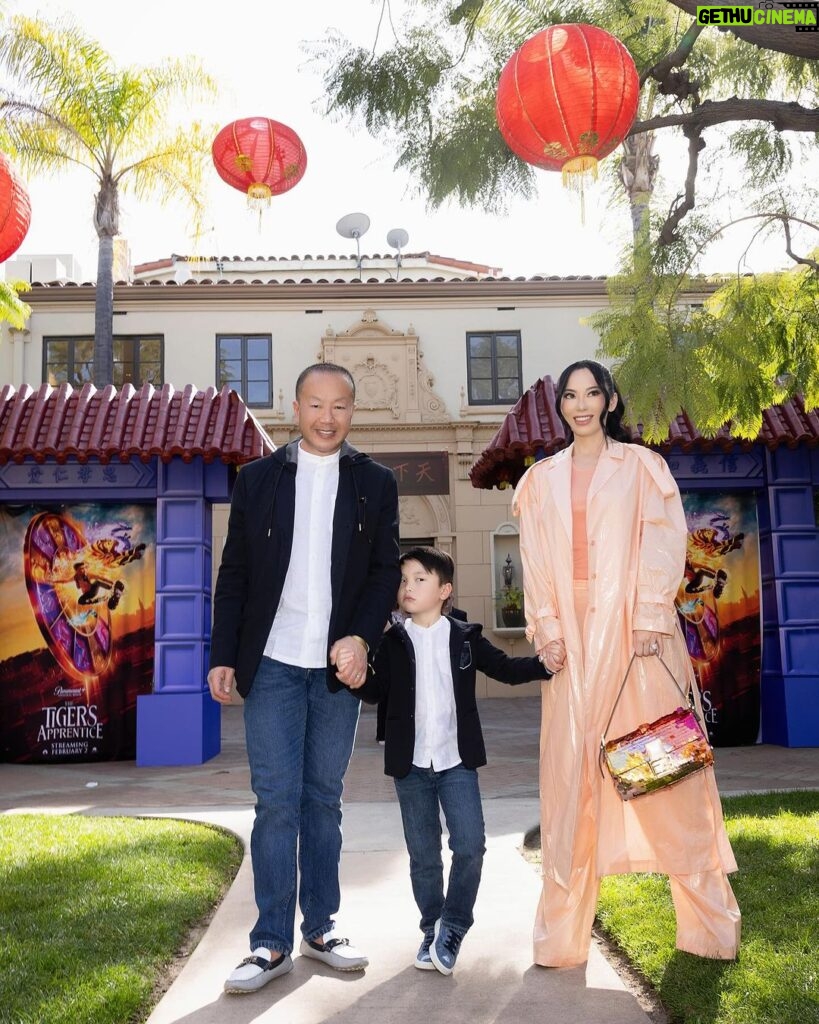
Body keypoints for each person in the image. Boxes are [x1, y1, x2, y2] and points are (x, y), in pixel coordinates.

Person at [512, 359, 741, 968]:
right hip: (570, 650)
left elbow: (665, 543)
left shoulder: (643, 468)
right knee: (569, 788)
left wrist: (645, 616)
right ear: (559, 406)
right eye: (570, 395)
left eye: (592, 393)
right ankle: (561, 940)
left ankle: (710, 930)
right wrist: (547, 631)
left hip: (637, 639)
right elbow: (534, 561)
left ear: (611, 400)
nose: (581, 404)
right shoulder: (539, 481)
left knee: (665, 776)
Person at [207, 362, 400, 993]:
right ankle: (269, 943)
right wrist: (223, 654)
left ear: (352, 411)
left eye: (339, 406)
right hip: (274, 664)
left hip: (337, 668)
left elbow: (381, 574)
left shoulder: (376, 483)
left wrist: (361, 639)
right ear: (296, 408)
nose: (327, 418)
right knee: (275, 801)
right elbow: (234, 572)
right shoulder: (257, 480)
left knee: (323, 799)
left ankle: (320, 928)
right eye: (315, 405)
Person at [344, 546, 551, 975]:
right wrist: (352, 679)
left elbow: (507, 669)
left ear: (445, 590)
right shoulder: (390, 642)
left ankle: (453, 925)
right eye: (404, 580)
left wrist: (544, 666)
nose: (408, 587)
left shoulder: (465, 637)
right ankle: (430, 927)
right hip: (411, 766)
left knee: (471, 845)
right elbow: (376, 691)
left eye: (420, 579)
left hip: (457, 762)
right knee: (423, 857)